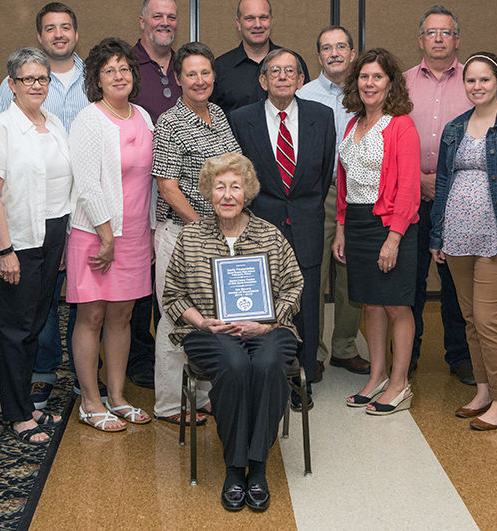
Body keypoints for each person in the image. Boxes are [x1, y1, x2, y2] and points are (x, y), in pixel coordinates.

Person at [162, 153, 303, 512]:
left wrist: (267, 324)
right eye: (220, 187)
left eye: (235, 187)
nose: (227, 195)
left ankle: (257, 468)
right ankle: (234, 468)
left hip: (269, 327)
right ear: (209, 193)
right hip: (211, 332)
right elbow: (173, 295)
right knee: (236, 364)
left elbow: (294, 286)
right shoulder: (191, 236)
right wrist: (202, 322)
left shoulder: (269, 235)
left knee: (268, 363)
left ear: (247, 193)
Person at [429, 52, 497, 431]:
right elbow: (443, 182)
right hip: (457, 238)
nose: (477, 87)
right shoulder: (455, 129)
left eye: (485, 80)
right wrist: (437, 233)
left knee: (490, 320)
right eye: (471, 81)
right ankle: (482, 389)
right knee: (470, 320)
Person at [0, 2, 90, 409]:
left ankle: (85, 375)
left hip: (78, 208)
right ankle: (43, 372)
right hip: (29, 213)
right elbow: (1, 154)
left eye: (66, 27)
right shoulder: (10, 88)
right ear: (40, 35)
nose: (59, 34)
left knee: (84, 297)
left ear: (76, 33)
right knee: (40, 305)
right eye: (50, 28)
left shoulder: (94, 78)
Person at [229, 48, 335, 410]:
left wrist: (304, 209)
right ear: (263, 80)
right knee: (261, 303)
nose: (283, 77)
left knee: (306, 304)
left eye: (291, 71)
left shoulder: (321, 117)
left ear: (302, 79)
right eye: (275, 71)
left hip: (306, 222)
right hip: (261, 225)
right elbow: (241, 176)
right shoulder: (242, 119)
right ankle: (265, 375)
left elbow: (322, 176)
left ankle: (301, 381)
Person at [0, 47, 72, 445]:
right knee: (15, 330)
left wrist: (65, 242)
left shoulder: (54, 123)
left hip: (52, 234)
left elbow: (65, 188)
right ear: (12, 85)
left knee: (36, 324)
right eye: (28, 79)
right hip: (15, 240)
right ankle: (17, 413)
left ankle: (26, 402)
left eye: (43, 78)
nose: (37, 85)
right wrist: (6, 250)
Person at [151, 42, 243, 425]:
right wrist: (203, 228)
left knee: (211, 315)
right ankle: (171, 404)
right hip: (183, 235)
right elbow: (167, 187)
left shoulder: (218, 115)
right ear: (178, 79)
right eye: (191, 73)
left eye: (205, 72)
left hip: (220, 235)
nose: (200, 80)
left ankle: (202, 394)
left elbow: (236, 168)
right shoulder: (170, 124)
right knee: (177, 317)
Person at [67, 38, 154, 432]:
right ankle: (90, 400)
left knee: (123, 315)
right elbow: (86, 184)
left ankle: (117, 397)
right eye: (109, 70)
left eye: (124, 69)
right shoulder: (89, 119)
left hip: (135, 235)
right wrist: (106, 236)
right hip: (96, 235)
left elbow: (150, 182)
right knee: (93, 315)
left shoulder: (144, 117)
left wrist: (149, 231)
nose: (118, 76)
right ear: (97, 80)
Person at [332, 48, 421, 416]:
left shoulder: (401, 124)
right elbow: (344, 181)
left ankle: (400, 384)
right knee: (370, 302)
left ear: (390, 83)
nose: (370, 83)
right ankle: (378, 375)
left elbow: (409, 189)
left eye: (377, 77)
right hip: (356, 223)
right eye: (364, 77)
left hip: (389, 224)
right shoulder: (353, 123)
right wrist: (340, 228)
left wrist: (394, 237)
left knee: (396, 304)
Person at [404, 5, 474, 384]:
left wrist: (443, 185)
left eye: (446, 32)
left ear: (457, 40)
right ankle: (408, 355)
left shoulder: (472, 81)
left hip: (459, 200)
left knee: (455, 283)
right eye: (431, 32)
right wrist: (417, 179)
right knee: (410, 282)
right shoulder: (401, 82)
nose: (438, 39)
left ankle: (460, 356)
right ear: (420, 40)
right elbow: (390, 141)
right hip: (411, 198)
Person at [297, 25, 369, 381]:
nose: (335, 53)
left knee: (349, 275)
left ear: (353, 53)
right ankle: (315, 350)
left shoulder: (368, 91)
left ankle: (344, 347)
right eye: (327, 48)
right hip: (320, 193)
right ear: (319, 56)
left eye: (342, 46)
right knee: (315, 272)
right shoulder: (305, 95)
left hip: (359, 193)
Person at [125, 0, 184, 389]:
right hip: (135, 188)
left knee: (171, 278)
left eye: (171, 17)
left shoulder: (186, 66)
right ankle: (138, 357)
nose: (165, 22)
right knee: (136, 279)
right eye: (157, 16)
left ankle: (171, 354)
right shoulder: (126, 64)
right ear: (143, 20)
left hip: (177, 193)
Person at [211, 0, 309, 115]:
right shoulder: (220, 68)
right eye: (249, 18)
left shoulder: (293, 62)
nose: (257, 25)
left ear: (271, 21)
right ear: (238, 23)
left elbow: (306, 111)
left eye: (263, 17)